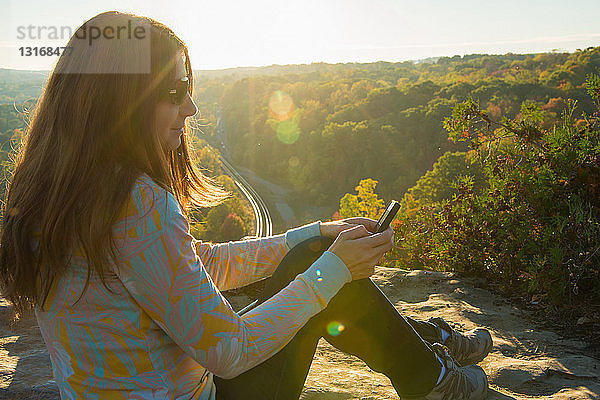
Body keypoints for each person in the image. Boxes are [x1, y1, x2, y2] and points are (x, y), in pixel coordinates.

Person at [0, 11, 492, 400]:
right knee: (323, 281)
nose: (191, 109)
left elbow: (198, 266)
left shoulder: (55, 194)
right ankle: (431, 376)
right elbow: (229, 352)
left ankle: (428, 360)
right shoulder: (138, 203)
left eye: (188, 88)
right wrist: (334, 269)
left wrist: (314, 234)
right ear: (117, 104)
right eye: (174, 93)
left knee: (314, 262)